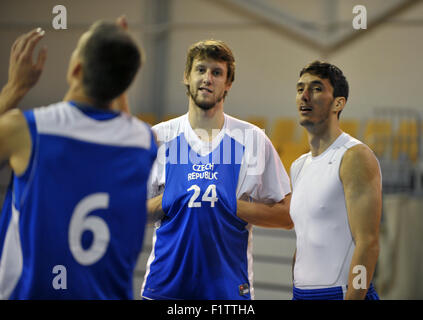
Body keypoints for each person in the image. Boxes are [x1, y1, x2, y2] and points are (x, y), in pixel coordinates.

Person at [0, 17, 157, 299]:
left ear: (76, 68)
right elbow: (121, 123)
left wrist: (15, 89)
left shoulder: (25, 130)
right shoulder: (144, 142)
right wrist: (116, 62)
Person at [142, 39, 293, 300]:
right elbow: (130, 214)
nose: (207, 79)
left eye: (217, 72)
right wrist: (168, 200)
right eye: (200, 70)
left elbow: (287, 216)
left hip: (228, 291)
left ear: (228, 83)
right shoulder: (159, 137)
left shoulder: (253, 140)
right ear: (187, 77)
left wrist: (233, 206)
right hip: (165, 289)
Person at [289, 61, 382, 300]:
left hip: (342, 294)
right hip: (301, 294)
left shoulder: (354, 157)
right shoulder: (298, 166)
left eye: (317, 88)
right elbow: (304, 240)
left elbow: (368, 243)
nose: (305, 96)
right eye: (300, 89)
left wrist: (355, 295)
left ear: (338, 103)